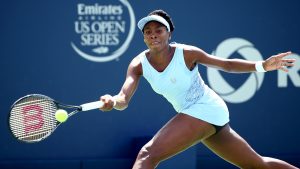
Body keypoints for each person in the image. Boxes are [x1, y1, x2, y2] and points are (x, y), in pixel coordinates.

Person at [99, 9, 298, 169]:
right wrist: (112, 101)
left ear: (169, 33)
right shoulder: (138, 64)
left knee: (147, 155)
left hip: (205, 107)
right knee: (256, 165)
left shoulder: (187, 53)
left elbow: (226, 65)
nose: (153, 35)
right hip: (202, 115)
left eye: (158, 30)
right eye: (148, 32)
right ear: (144, 37)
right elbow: (123, 99)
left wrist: (262, 65)